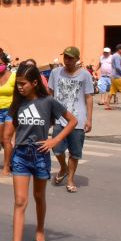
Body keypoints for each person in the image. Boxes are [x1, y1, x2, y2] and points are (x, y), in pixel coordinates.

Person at [0, 62, 77, 241]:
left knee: (39, 197)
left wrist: (54, 141)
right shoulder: (17, 104)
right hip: (21, 155)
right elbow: (9, 130)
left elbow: (72, 121)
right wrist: (7, 139)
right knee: (19, 201)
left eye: (23, 83)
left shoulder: (48, 102)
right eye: (18, 84)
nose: (19, 87)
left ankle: (40, 231)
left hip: (41, 155)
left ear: (35, 83)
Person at [48, 47, 93, 194]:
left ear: (76, 59)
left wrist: (89, 119)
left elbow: (89, 97)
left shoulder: (85, 75)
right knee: (57, 148)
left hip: (78, 119)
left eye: (70, 58)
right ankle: (63, 168)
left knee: (75, 153)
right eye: (65, 57)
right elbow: (50, 94)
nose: (67, 60)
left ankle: (70, 179)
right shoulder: (55, 73)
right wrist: (50, 115)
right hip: (60, 118)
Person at [0, 53, 16, 177]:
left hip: (11, 110)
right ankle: (12, 159)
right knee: (1, 140)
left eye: (0, 64)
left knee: (7, 139)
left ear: (6, 64)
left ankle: (6, 167)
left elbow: (19, 93)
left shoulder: (13, 77)